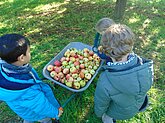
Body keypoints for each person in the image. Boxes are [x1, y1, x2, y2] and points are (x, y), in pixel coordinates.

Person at [94, 24, 154, 123]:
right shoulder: (145, 66)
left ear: (107, 53)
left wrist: (99, 113)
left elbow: (101, 103)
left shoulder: (105, 81)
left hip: (117, 112)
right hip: (137, 105)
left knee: (107, 118)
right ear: (130, 46)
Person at [0, 34, 63, 123]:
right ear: (22, 58)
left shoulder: (4, 66)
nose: (30, 53)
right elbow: (41, 106)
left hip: (22, 109)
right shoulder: (27, 90)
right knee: (44, 118)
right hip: (36, 113)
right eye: (29, 51)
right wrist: (55, 113)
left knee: (28, 117)